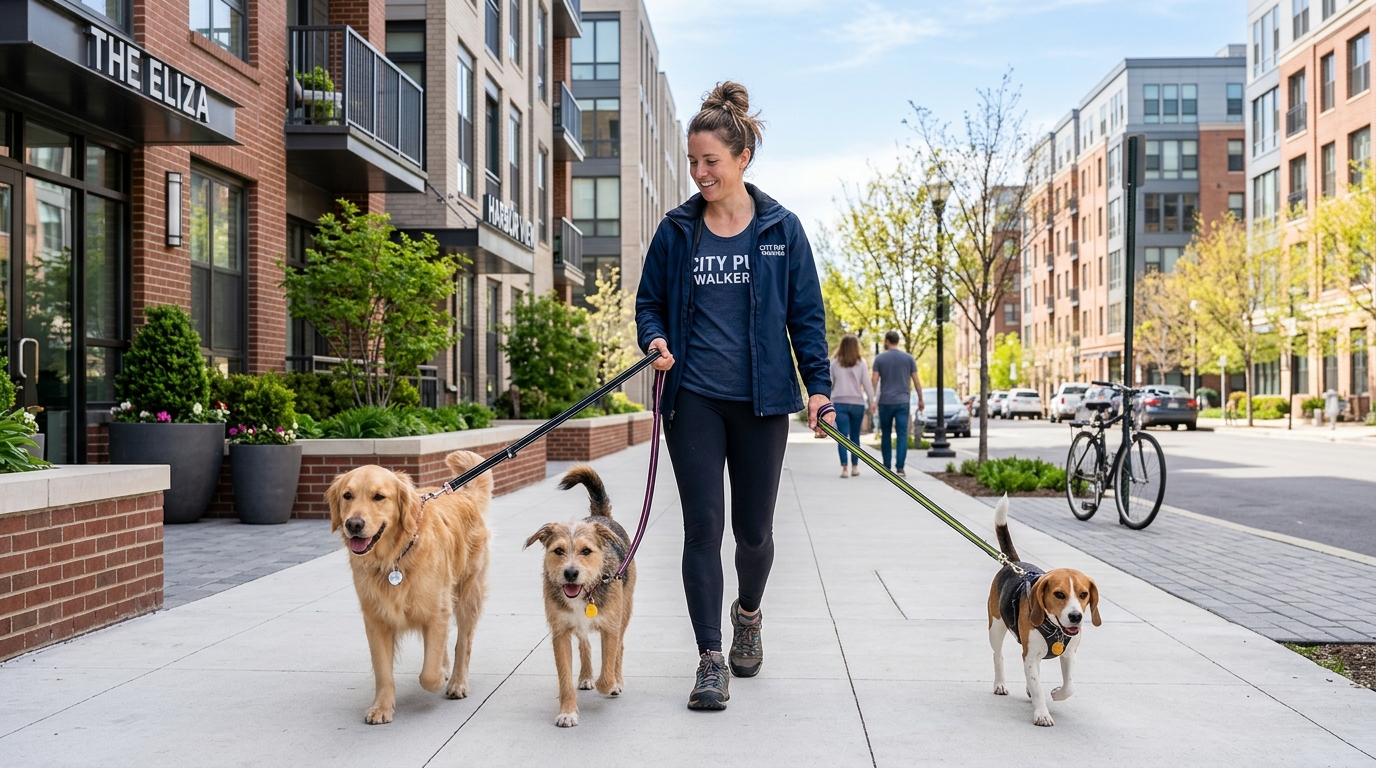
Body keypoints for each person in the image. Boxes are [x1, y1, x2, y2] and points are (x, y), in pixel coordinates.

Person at [635, 81, 832, 712]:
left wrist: (819, 391)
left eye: (710, 161)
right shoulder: (675, 232)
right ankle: (710, 657)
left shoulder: (781, 229)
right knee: (703, 528)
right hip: (693, 398)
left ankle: (748, 613)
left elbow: (807, 317)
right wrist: (656, 338)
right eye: (692, 162)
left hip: (762, 402)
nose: (699, 174)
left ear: (742, 156)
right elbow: (648, 303)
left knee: (753, 533)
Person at [870, 331, 923, 477]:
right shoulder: (908, 358)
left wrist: (872, 399)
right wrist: (920, 398)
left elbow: (874, 380)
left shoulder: (880, 358)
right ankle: (900, 468)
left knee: (886, 434)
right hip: (902, 402)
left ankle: (886, 467)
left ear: (887, 341)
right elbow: (916, 380)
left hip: (885, 402)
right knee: (902, 435)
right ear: (897, 341)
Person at [830, 334, 875, 478]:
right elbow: (867, 384)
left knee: (842, 436)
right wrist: (872, 401)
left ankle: (844, 469)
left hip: (839, 402)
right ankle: (855, 467)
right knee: (855, 436)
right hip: (857, 404)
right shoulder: (860, 362)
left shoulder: (835, 362)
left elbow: (829, 383)